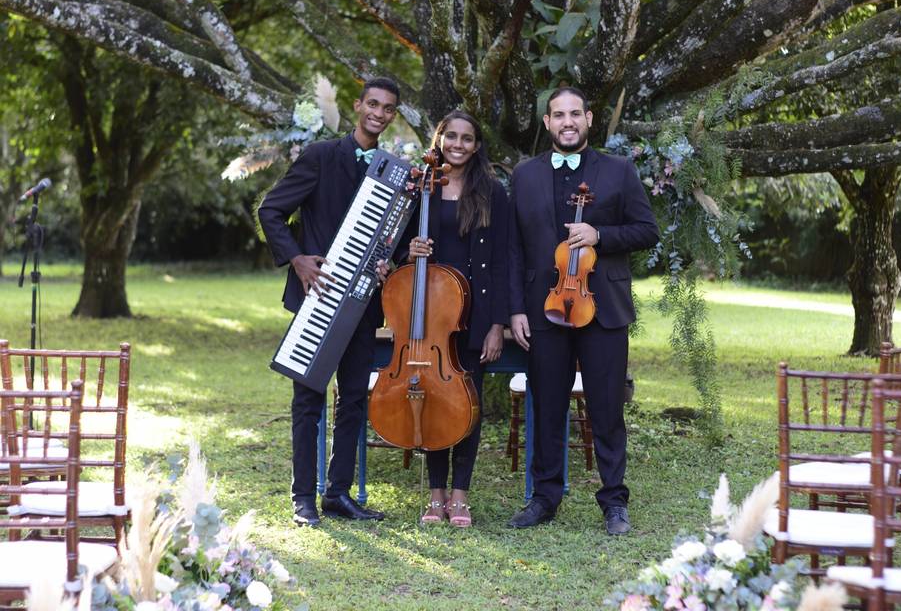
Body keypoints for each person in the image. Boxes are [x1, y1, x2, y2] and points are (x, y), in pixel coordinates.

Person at [506, 86, 659, 535]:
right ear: (548, 122)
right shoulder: (525, 175)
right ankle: (544, 497)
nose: (567, 122)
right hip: (544, 309)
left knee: (606, 408)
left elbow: (646, 230)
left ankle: (614, 501)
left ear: (589, 119)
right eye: (558, 115)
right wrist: (516, 308)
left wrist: (600, 235)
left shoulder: (618, 171)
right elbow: (513, 249)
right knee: (547, 405)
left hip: (603, 309)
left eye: (575, 114)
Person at [258, 77, 401, 527]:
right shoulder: (321, 156)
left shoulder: (391, 168)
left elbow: (395, 233)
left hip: (362, 303)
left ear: (393, 116)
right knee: (308, 398)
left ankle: (338, 494)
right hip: (316, 294)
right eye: (372, 104)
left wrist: (388, 264)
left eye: (388, 108)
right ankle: (303, 497)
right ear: (358, 106)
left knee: (355, 397)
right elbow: (271, 210)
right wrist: (297, 258)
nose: (378, 113)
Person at [403, 111, 509, 527]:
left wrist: (496, 323)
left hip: (474, 314)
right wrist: (410, 250)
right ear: (439, 139)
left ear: (477, 145)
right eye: (451, 136)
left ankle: (460, 496)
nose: (458, 144)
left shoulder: (492, 193)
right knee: (430, 402)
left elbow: (502, 260)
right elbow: (395, 247)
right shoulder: (420, 189)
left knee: (467, 404)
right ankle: (435, 495)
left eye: (467, 138)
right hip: (428, 316)